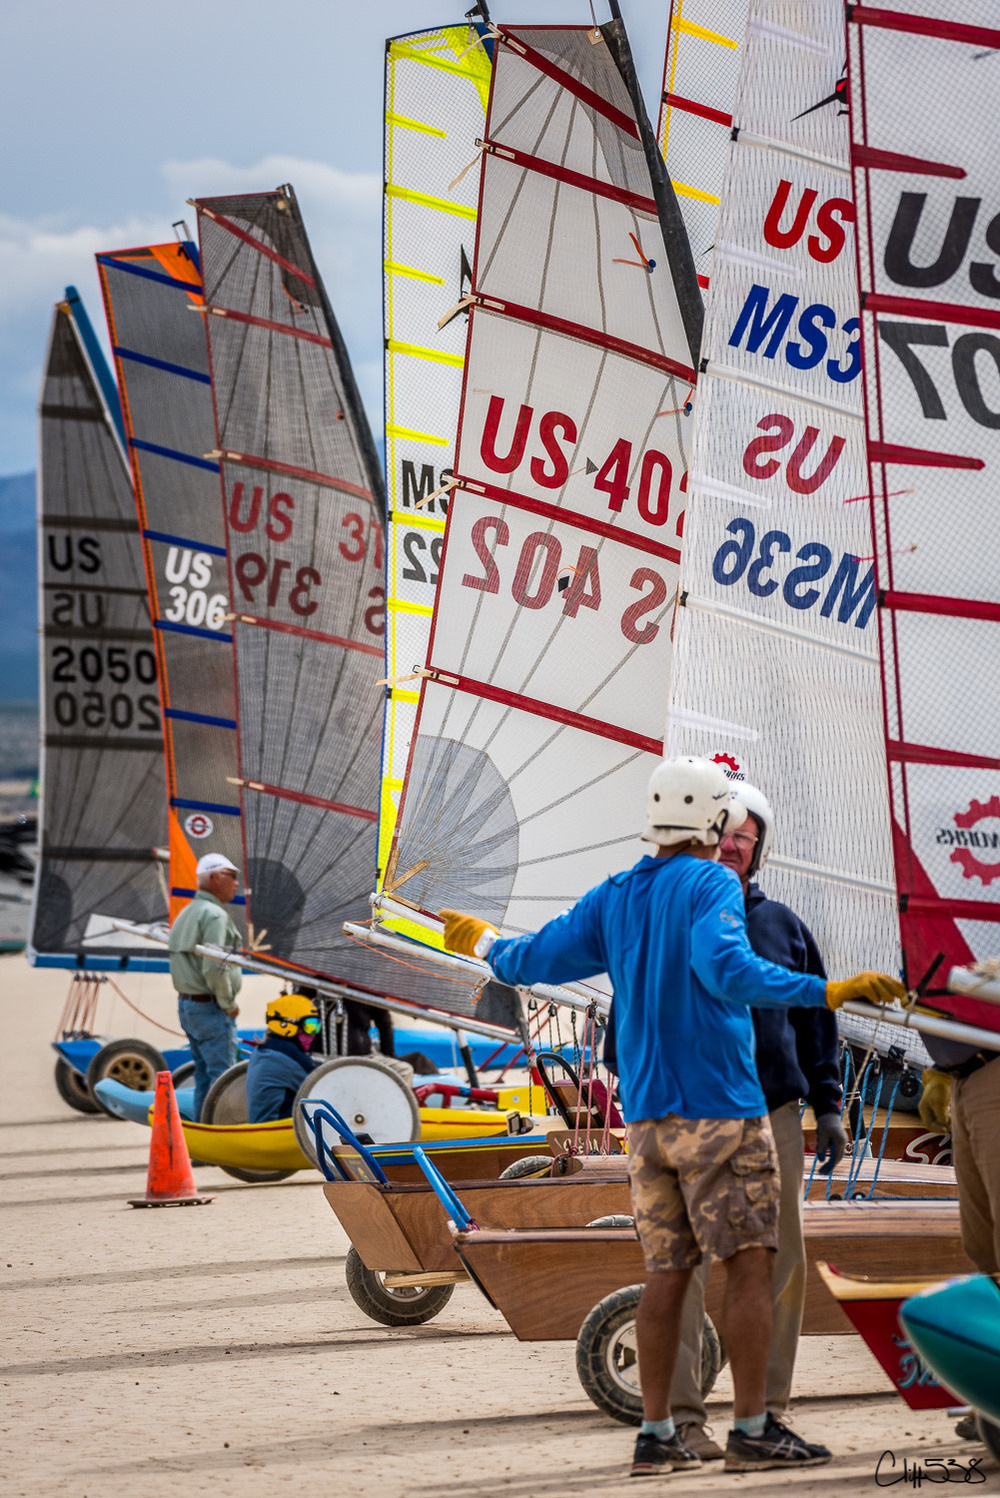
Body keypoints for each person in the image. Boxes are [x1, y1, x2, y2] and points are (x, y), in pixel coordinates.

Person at [440, 756, 904, 1478]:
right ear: (715, 820)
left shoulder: (616, 894)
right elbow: (727, 969)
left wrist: (478, 943)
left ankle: (660, 1434)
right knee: (753, 1266)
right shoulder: (713, 883)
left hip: (647, 1122)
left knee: (667, 1272)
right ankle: (754, 1429)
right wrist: (829, 990)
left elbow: (530, 959)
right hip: (719, 1111)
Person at [664, 781, 846, 1461]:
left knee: (778, 1265)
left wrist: (828, 1107)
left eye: (747, 835)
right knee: (682, 1265)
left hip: (772, 1114)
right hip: (686, 1112)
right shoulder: (669, 917)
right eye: (724, 833)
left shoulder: (783, 926)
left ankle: (766, 1413)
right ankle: (683, 1419)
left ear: (758, 849)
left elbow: (815, 1021)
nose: (734, 845)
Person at [918, 1023, 1000, 1440]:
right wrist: (940, 1069)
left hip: (993, 1068)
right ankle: (992, 1392)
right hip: (964, 1077)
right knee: (982, 1245)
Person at [168, 852, 243, 1121]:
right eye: (231, 876)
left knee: (203, 1077)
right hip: (210, 1008)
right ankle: (219, 1139)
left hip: (188, 1006)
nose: (236, 883)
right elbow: (214, 967)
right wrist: (229, 1004)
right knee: (224, 1078)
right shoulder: (214, 916)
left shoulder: (186, 913)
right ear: (214, 878)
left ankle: (201, 1143)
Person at [246, 993, 322, 1122]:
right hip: (276, 1132)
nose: (313, 1034)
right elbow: (323, 1087)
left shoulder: (263, 1050)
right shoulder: (290, 1056)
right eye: (309, 1026)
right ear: (287, 1025)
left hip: (260, 1127)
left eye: (316, 1026)